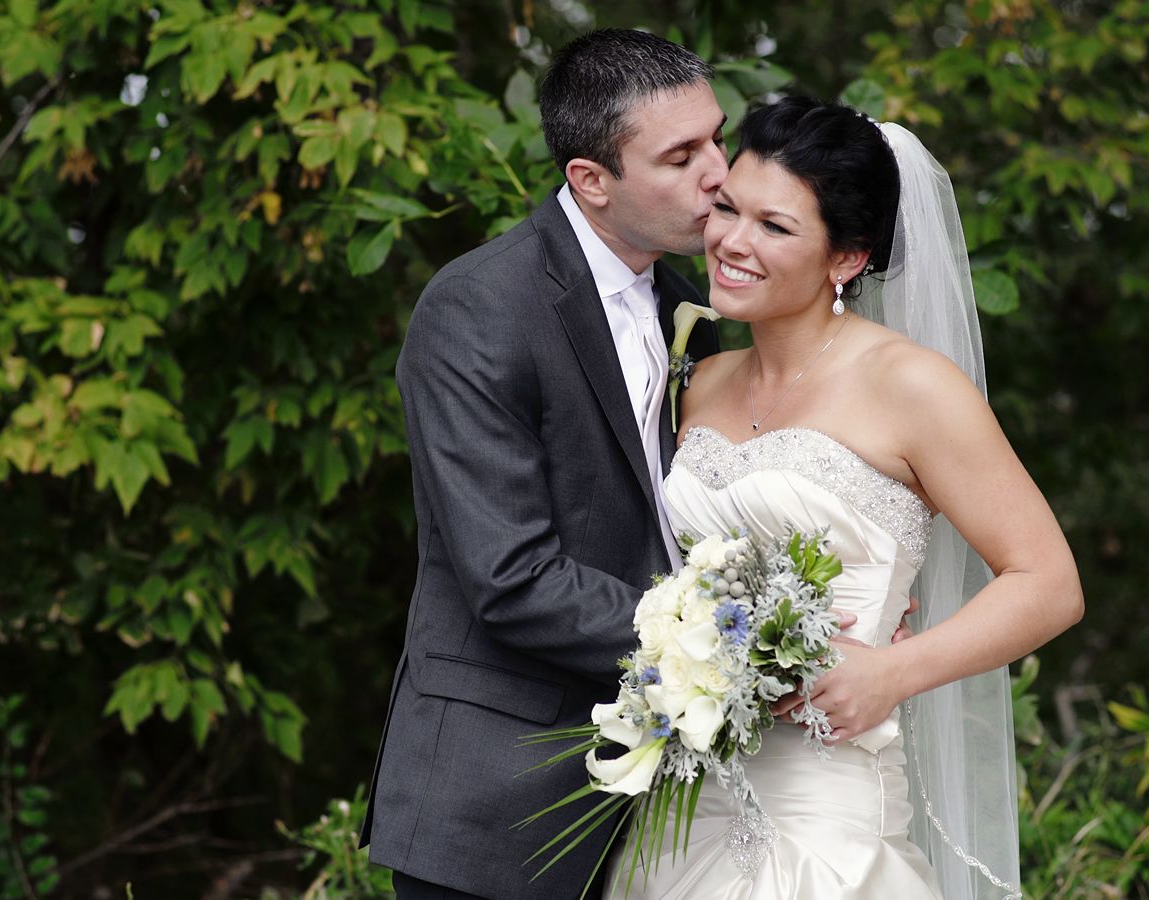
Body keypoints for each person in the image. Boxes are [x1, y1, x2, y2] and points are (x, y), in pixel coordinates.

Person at [608, 97, 1084, 898]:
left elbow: (1049, 582)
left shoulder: (912, 386)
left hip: (827, 806)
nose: (732, 242)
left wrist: (894, 672)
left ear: (847, 260)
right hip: (686, 806)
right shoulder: (703, 380)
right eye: (727, 208)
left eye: (776, 227)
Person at [361, 30, 729, 900]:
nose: (718, 172)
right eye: (681, 156)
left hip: (665, 809)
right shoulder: (478, 308)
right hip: (498, 799)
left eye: (718, 137)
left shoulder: (693, 308)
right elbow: (511, 576)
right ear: (590, 181)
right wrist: (725, 644)